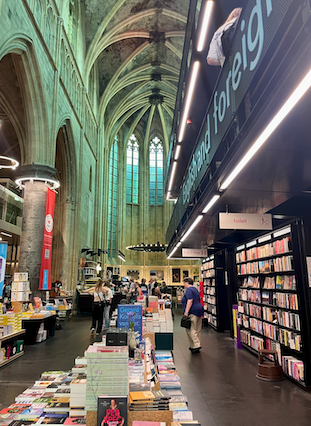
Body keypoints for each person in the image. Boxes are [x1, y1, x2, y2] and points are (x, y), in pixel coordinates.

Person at [182, 277, 204, 353]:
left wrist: (186, 312)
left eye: (184, 283)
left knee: (190, 329)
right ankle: (193, 346)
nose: (184, 284)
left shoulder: (188, 290)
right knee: (197, 329)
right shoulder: (195, 289)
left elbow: (190, 300)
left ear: (187, 282)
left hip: (192, 311)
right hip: (199, 309)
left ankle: (196, 345)